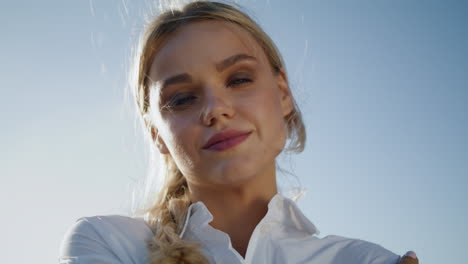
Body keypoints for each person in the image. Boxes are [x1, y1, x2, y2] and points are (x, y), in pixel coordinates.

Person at [59, 1, 419, 263]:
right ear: (156, 134)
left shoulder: (364, 260)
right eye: (182, 98)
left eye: (239, 79)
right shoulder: (107, 242)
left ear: (283, 94)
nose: (215, 109)